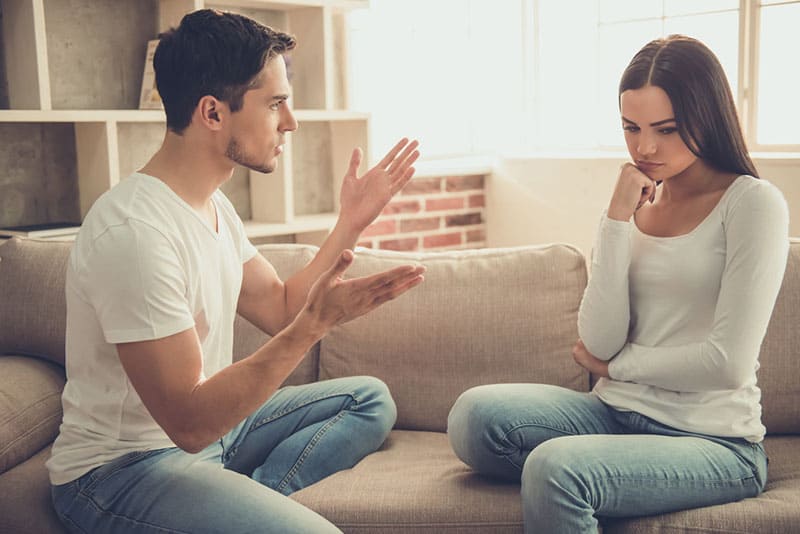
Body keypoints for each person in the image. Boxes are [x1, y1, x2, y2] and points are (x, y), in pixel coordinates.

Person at [47, 9, 425, 534]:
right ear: (212, 113)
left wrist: (352, 222)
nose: (289, 121)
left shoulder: (213, 207)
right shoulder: (135, 234)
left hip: (213, 438)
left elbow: (280, 306)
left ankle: (251, 498)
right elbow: (191, 422)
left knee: (367, 399)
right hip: (122, 470)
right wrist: (314, 326)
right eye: (275, 104)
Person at [447, 34, 789, 533]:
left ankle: (591, 481)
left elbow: (727, 363)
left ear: (707, 116)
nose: (645, 147)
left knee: (555, 469)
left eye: (666, 129)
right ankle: (615, 473)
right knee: (474, 417)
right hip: (615, 413)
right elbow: (600, 337)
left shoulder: (752, 203)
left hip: (714, 443)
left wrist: (617, 367)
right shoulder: (638, 207)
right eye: (631, 127)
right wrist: (614, 219)